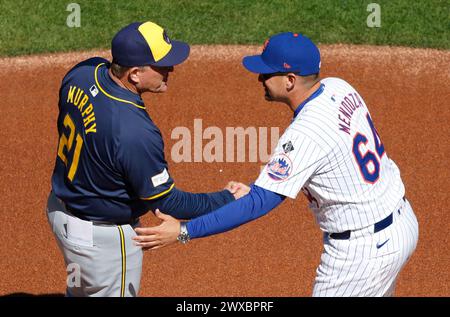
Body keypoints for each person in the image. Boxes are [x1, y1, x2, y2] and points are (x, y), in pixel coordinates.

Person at [133, 32, 419, 297]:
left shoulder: (305, 133)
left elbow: (260, 203)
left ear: (290, 80)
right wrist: (261, 187)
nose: (260, 79)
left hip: (362, 254)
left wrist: (184, 231)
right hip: (401, 222)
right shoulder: (339, 86)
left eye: (267, 73)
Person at [46, 21, 247, 297]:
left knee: (80, 290)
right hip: (104, 241)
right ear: (136, 74)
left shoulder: (82, 72)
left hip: (61, 213)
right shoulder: (134, 131)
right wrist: (227, 198)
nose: (171, 69)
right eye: (161, 65)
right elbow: (168, 203)